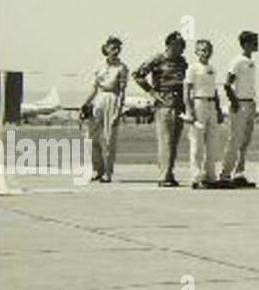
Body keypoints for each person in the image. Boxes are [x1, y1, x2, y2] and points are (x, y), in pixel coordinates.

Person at [134, 32, 190, 187]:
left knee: (174, 142)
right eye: (179, 45)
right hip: (164, 103)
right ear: (170, 44)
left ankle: (169, 173)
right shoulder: (157, 59)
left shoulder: (182, 62)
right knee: (165, 141)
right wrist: (152, 92)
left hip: (179, 104)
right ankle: (163, 175)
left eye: (183, 45)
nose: (182, 49)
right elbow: (138, 75)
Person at [79, 36, 127, 183]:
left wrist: (118, 111)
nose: (115, 50)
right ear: (106, 49)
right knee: (90, 137)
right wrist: (85, 104)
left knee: (109, 138)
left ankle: (107, 172)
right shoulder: (99, 66)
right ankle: (97, 169)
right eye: (112, 47)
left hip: (112, 99)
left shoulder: (122, 68)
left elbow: (122, 91)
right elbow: (93, 88)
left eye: (118, 48)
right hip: (98, 99)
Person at [183, 38, 226, 189]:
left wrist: (219, 109)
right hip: (198, 102)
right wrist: (189, 110)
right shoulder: (193, 68)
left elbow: (214, 90)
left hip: (211, 104)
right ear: (196, 52)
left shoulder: (212, 68)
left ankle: (211, 176)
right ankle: (197, 177)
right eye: (201, 50)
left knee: (213, 142)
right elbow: (187, 90)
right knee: (197, 142)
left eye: (207, 50)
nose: (204, 53)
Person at [220, 30, 259, 187]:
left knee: (245, 141)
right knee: (235, 140)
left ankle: (239, 173)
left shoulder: (251, 61)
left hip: (250, 102)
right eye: (254, 41)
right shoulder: (238, 61)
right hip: (240, 103)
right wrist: (235, 102)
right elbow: (227, 84)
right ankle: (225, 174)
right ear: (246, 44)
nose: (257, 44)